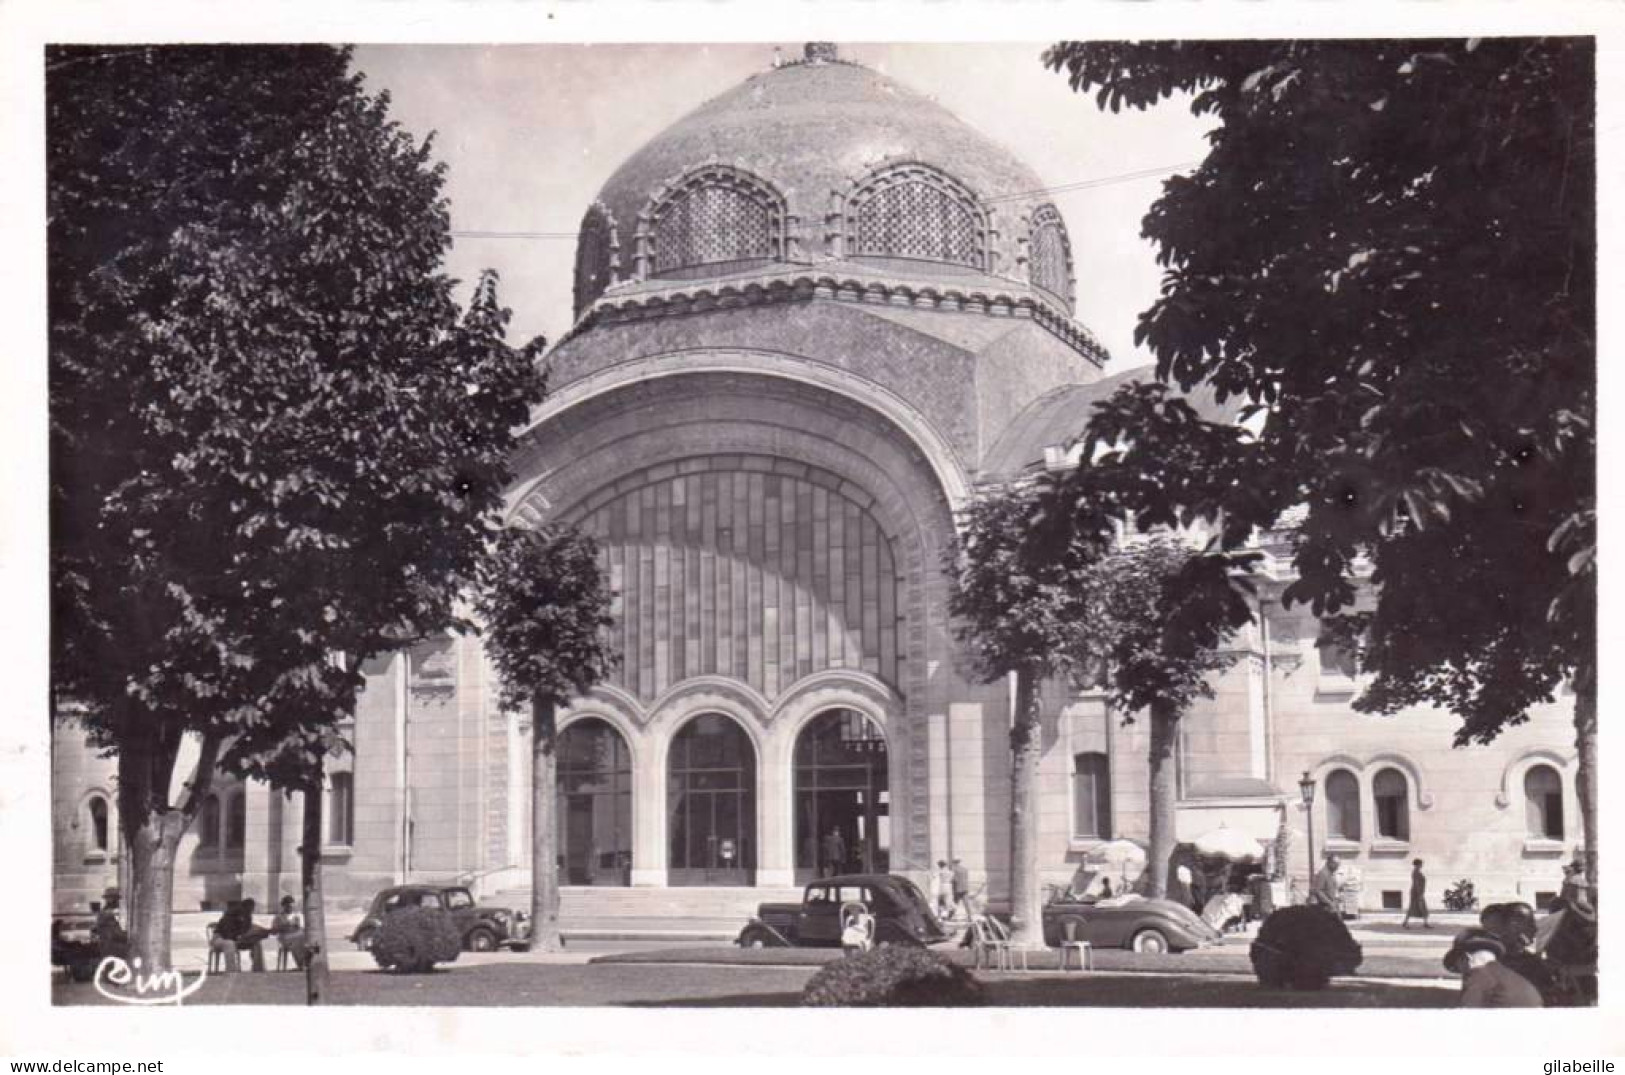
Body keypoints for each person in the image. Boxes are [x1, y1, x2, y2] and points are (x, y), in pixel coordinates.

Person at [1446, 928, 1543, 1007]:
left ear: (1467, 958)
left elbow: (1465, 1016)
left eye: (1461, 968)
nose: (1464, 976)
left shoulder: (1479, 975)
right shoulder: (1513, 977)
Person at [212, 898, 271, 972]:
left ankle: (258, 968)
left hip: (237, 939)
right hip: (220, 938)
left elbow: (247, 930)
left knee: (256, 944)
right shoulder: (230, 915)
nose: (251, 910)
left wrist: (257, 935)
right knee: (229, 944)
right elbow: (226, 933)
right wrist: (237, 937)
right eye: (249, 908)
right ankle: (231, 970)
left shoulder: (248, 916)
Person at [271, 895, 306, 970]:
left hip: (297, 936)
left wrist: (296, 925)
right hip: (285, 938)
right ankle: (301, 965)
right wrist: (282, 927)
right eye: (288, 906)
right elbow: (273, 931)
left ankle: (303, 964)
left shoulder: (297, 915)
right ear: (283, 906)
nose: (290, 908)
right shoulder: (278, 917)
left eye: (291, 906)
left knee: (302, 940)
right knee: (297, 942)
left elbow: (301, 927)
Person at [1403, 858, 1430, 929]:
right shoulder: (1416, 873)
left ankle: (1425, 923)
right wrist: (1419, 894)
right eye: (1421, 864)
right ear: (1417, 865)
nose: (1422, 865)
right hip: (1417, 893)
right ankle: (1406, 923)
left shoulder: (1417, 872)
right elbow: (1416, 883)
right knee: (1415, 908)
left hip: (1418, 892)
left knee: (1421, 908)